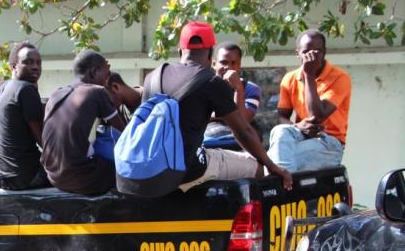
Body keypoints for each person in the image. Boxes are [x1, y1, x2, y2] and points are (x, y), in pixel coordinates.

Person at [142, 21, 291, 191]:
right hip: (186, 170)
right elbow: (243, 131)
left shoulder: (153, 77)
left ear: (179, 51)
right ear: (211, 55)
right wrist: (271, 166)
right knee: (255, 166)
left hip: (148, 169)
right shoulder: (211, 81)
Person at [41, 49, 126, 195]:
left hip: (53, 176)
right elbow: (125, 134)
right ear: (93, 72)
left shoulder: (56, 94)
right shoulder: (97, 92)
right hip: (82, 178)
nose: (107, 82)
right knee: (130, 173)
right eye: (106, 77)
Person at [269, 29, 351, 172]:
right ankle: (286, 184)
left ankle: (284, 190)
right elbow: (281, 117)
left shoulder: (340, 78)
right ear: (298, 53)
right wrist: (298, 126)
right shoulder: (290, 78)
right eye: (307, 52)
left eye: (317, 51)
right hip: (302, 134)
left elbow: (317, 116)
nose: (312, 56)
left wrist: (308, 74)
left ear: (325, 52)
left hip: (329, 141)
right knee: (279, 131)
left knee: (278, 160)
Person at [0, 42, 48, 189]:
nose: (35, 67)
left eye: (38, 63)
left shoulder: (2, 88)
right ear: (14, 66)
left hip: (1, 177)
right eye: (27, 62)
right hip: (26, 176)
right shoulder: (26, 90)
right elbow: (43, 140)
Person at [212, 42, 262, 128]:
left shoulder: (251, 89)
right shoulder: (205, 86)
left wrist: (238, 88)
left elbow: (243, 121)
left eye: (234, 63)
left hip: (239, 139)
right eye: (223, 62)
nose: (228, 67)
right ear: (214, 64)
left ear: (239, 65)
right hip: (210, 137)